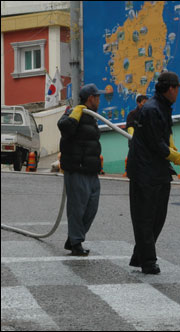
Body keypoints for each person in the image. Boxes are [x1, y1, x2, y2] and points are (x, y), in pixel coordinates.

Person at [126, 71, 180, 274]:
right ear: (171, 88)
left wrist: (172, 147)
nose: (179, 92)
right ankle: (148, 262)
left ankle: (140, 255)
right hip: (144, 171)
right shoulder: (152, 109)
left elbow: (163, 137)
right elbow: (155, 144)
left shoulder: (163, 107)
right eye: (178, 88)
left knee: (158, 216)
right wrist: (175, 157)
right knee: (145, 217)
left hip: (158, 170)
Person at [58, 83, 105, 256]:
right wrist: (74, 115)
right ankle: (76, 242)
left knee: (91, 207)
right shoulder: (74, 112)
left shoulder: (92, 117)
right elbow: (64, 127)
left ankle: (73, 238)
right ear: (90, 98)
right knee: (77, 209)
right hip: (77, 170)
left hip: (91, 171)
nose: (100, 100)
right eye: (97, 97)